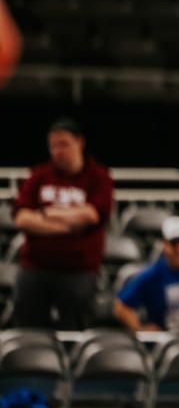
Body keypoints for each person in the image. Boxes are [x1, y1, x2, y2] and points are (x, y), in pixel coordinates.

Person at [10, 118, 114, 329]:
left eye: (64, 144)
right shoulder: (39, 175)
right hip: (36, 268)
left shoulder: (98, 177)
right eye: (53, 146)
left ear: (79, 143)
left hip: (79, 272)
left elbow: (92, 215)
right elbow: (22, 218)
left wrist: (45, 214)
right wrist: (69, 225)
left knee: (75, 331)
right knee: (27, 328)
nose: (58, 151)